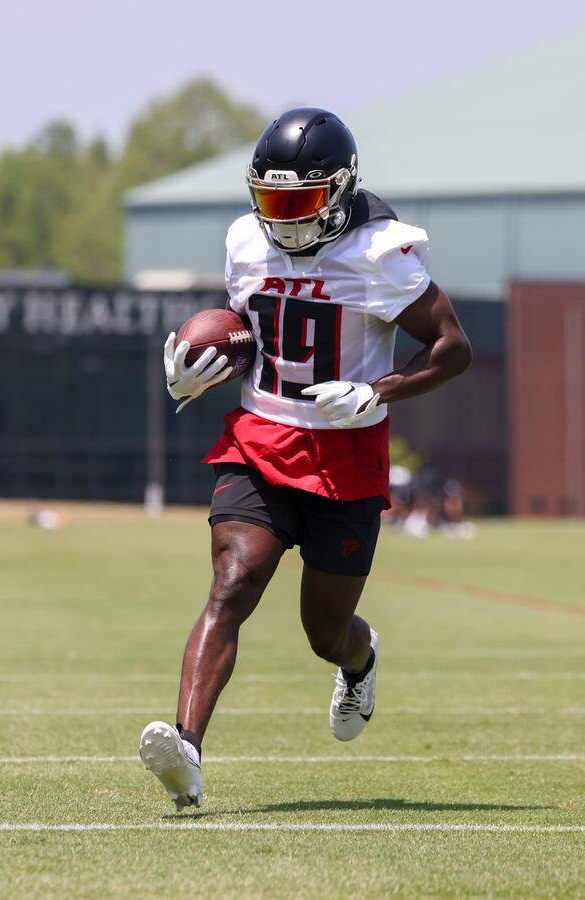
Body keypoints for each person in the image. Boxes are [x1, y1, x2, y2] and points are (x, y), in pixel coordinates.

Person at [140, 108, 472, 810]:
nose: (283, 220)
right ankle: (187, 753)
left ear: (341, 190)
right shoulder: (244, 242)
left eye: (300, 203)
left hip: (345, 455)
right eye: (271, 202)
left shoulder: (382, 252)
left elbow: (452, 348)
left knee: (326, 634)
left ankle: (361, 661)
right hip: (259, 438)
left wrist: (379, 389)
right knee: (232, 584)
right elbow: (251, 335)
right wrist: (205, 368)